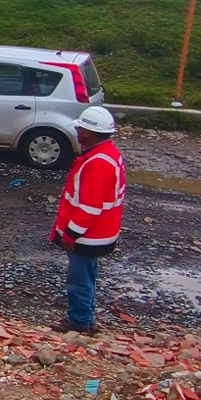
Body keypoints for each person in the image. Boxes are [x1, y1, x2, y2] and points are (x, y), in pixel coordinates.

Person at [49, 106, 125, 335]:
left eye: (80, 128)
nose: (77, 131)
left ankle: (79, 320)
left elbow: (89, 207)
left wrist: (70, 235)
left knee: (79, 279)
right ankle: (85, 317)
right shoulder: (107, 154)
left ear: (89, 133)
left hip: (88, 236)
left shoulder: (97, 163)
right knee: (88, 275)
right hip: (100, 232)